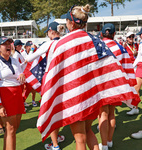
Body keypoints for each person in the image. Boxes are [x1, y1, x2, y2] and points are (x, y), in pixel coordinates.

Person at [37, 4, 136, 150]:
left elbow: (54, 74)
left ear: (70, 22)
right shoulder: (96, 41)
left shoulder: (62, 43)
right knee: (88, 131)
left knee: (80, 140)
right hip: (92, 97)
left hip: (75, 98)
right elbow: (110, 67)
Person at [24, 21, 65, 150]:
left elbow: (29, 59)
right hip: (64, 78)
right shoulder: (65, 42)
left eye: (48, 32)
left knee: (50, 110)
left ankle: (55, 145)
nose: (47, 34)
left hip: (51, 78)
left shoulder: (49, 43)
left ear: (52, 31)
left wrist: (31, 49)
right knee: (58, 108)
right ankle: (56, 138)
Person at [99, 23, 140, 150]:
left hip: (102, 85)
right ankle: (109, 141)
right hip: (115, 86)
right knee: (111, 114)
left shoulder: (97, 46)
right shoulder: (120, 48)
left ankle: (104, 144)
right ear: (114, 34)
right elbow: (128, 69)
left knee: (103, 115)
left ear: (101, 34)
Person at [0, 36, 26, 150]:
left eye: (9, 43)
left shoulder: (14, 60)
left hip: (17, 95)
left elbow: (19, 74)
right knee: (11, 130)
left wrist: (22, 74)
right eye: (5, 44)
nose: (8, 45)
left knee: (14, 129)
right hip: (5, 96)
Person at [123, 31, 140, 115]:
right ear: (126, 38)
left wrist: (136, 55)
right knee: (132, 88)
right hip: (129, 68)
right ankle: (133, 106)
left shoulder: (137, 45)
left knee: (135, 88)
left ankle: (135, 108)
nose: (131, 38)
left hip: (137, 67)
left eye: (133, 36)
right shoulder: (124, 47)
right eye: (130, 37)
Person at [131, 28, 142, 139]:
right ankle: (135, 108)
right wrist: (132, 67)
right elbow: (139, 57)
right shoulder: (141, 43)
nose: (140, 36)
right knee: (136, 89)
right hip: (140, 67)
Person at [21, 41, 37, 107]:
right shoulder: (22, 54)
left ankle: (33, 100)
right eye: (30, 46)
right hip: (24, 73)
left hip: (31, 72)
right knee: (25, 88)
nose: (31, 48)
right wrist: (32, 50)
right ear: (26, 47)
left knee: (33, 88)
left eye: (31, 46)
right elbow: (28, 59)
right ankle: (23, 101)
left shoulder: (33, 52)